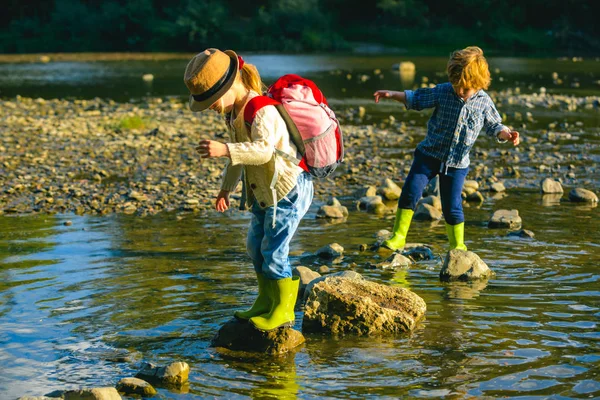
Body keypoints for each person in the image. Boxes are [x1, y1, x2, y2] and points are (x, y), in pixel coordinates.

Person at [184, 49, 313, 331]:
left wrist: (225, 149)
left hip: (286, 190)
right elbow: (236, 159)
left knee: (274, 251)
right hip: (263, 192)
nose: (211, 107)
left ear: (230, 86)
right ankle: (265, 301)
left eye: (212, 101)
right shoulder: (233, 115)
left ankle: (284, 311)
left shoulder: (261, 109)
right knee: (255, 247)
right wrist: (225, 190)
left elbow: (264, 152)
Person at [373, 46, 520, 251]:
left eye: (465, 88)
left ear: (479, 83)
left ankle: (458, 246)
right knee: (410, 191)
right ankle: (398, 236)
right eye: (456, 84)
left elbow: (494, 125)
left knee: (453, 207)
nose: (459, 90)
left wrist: (507, 134)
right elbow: (417, 98)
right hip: (428, 155)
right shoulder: (444, 91)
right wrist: (391, 94)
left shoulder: (484, 102)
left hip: (457, 164)